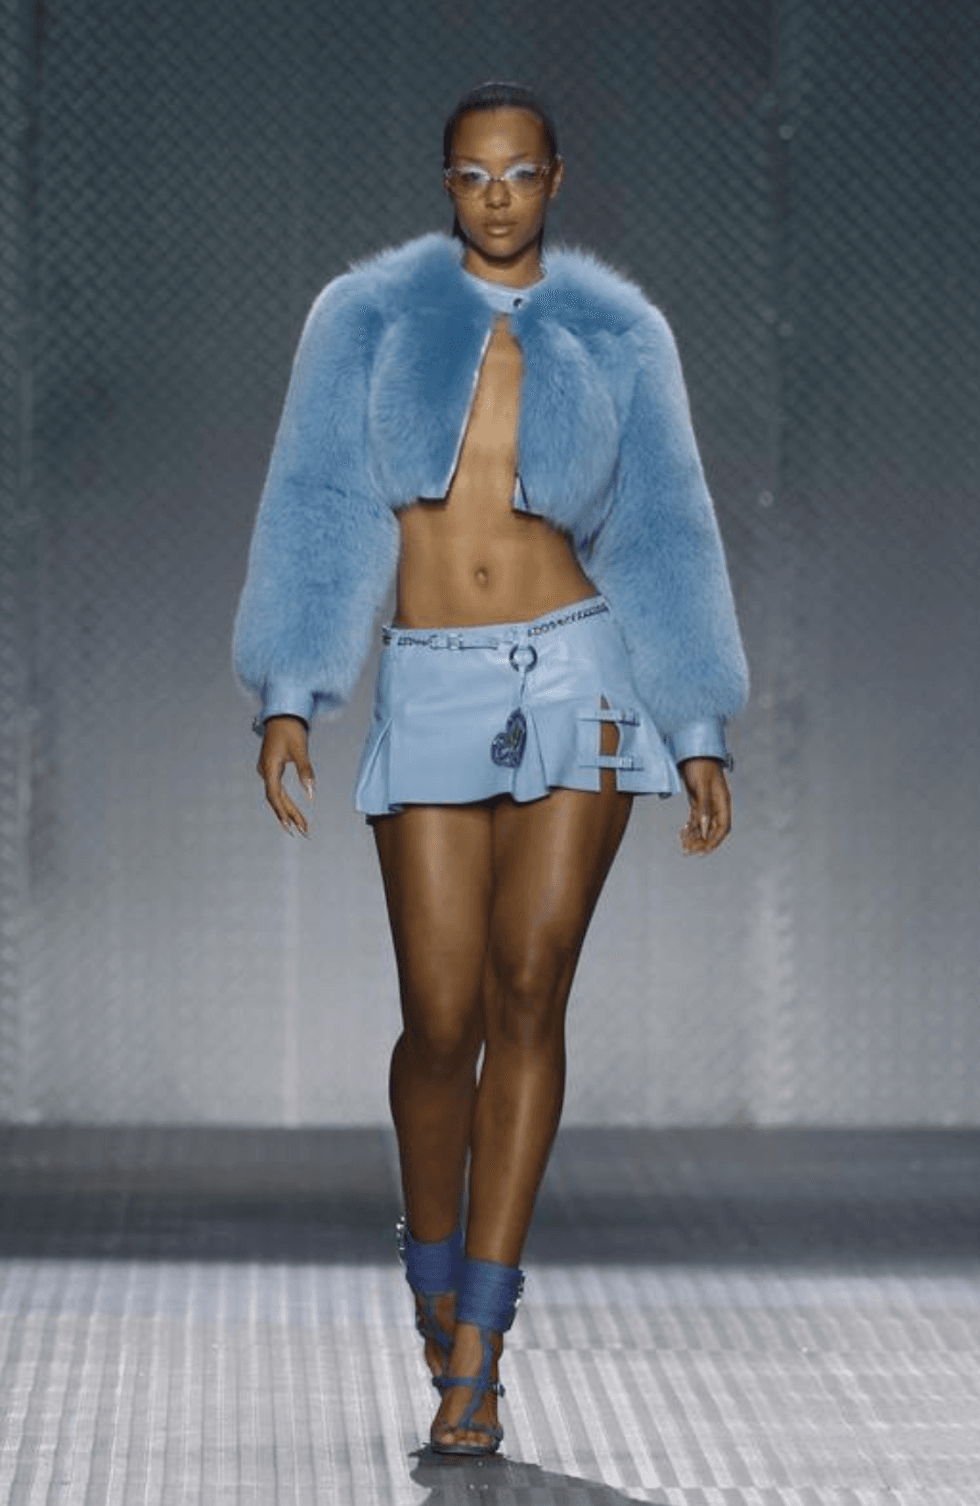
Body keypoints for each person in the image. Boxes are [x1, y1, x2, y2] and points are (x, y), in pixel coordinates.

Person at [233, 81, 748, 1457]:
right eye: (474, 174)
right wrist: (291, 694)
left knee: (530, 989)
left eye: (520, 173)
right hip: (432, 680)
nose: (499, 195)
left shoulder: (621, 332)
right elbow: (318, 500)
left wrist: (697, 723)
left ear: (556, 179)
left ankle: (481, 1345)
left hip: (580, 675)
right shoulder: (365, 318)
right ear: (448, 183)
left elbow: (669, 524)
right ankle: (433, 1258)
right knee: (440, 1018)